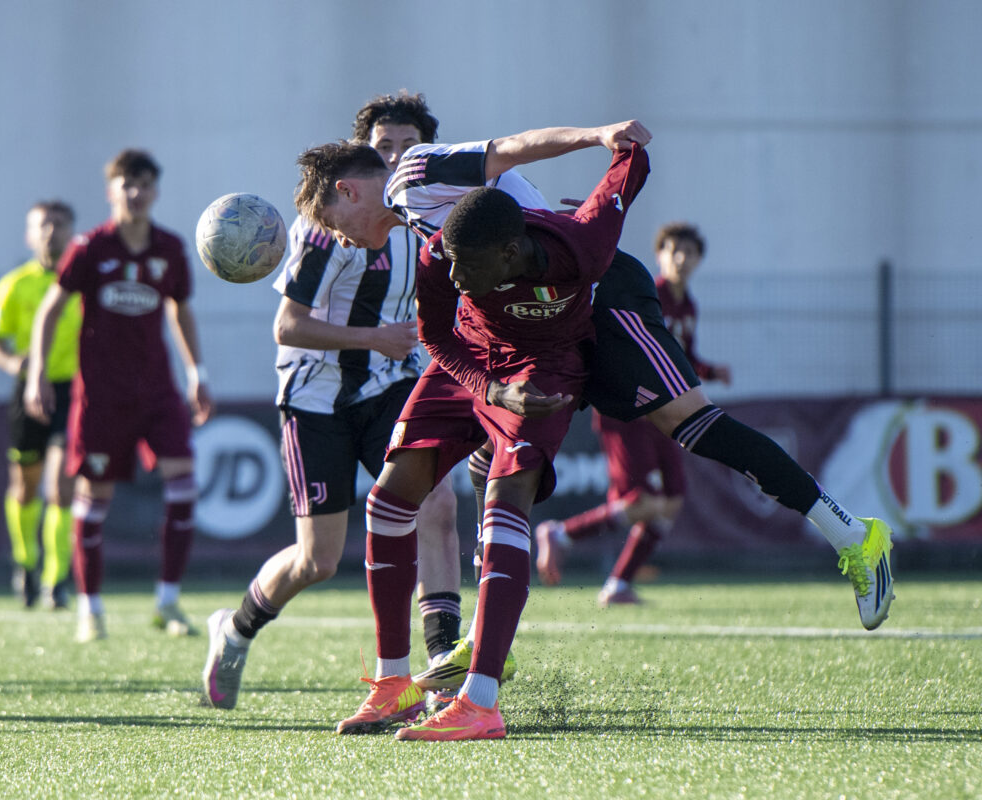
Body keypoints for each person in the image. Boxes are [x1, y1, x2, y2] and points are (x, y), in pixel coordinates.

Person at [295, 118, 894, 646]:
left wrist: (600, 136)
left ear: (347, 191)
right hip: (536, 327)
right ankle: (477, 639)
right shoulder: (412, 226)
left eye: (332, 223)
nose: (340, 240)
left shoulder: (416, 175)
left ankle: (851, 535)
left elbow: (514, 147)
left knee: (692, 425)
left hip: (597, 293)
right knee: (490, 448)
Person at [331, 142, 649, 740]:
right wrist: (490, 389)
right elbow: (434, 334)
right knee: (387, 501)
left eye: (465, 266)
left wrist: (625, 143)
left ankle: (480, 700)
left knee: (505, 507)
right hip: (471, 358)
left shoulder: (582, 244)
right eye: (447, 261)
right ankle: (393, 684)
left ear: (510, 252)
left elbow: (623, 183)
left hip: (548, 366)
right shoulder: (439, 252)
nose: (452, 274)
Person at [200, 92, 485, 711]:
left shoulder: (430, 217)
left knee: (435, 501)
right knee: (318, 560)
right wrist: (373, 337)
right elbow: (287, 326)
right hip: (315, 396)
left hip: (391, 384)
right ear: (362, 163)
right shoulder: (325, 229)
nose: (398, 158)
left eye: (410, 147)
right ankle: (236, 629)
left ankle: (440, 670)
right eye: (385, 148)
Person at [24, 149, 212, 643]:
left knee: (184, 483)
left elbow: (180, 310)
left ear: (155, 190)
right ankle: (91, 607)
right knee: (94, 499)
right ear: (111, 191)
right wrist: (36, 372)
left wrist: (197, 371)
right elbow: (50, 309)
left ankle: (167, 602)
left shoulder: (170, 248)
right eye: (126, 183)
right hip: (102, 399)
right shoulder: (90, 248)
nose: (135, 192)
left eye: (144, 183)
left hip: (157, 391)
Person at [534, 221, 731, 606]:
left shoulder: (688, 304)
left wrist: (708, 371)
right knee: (640, 501)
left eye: (688, 252)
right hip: (628, 412)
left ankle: (618, 584)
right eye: (673, 250)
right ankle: (561, 534)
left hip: (665, 414)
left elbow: (680, 359)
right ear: (659, 255)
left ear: (699, 259)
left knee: (672, 501)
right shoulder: (649, 293)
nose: (681, 258)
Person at [0, 199, 79, 609]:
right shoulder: (14, 284)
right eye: (43, 225)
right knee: (24, 486)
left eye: (59, 224)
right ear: (30, 233)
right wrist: (12, 363)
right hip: (29, 391)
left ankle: (56, 581)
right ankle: (25, 563)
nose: (51, 232)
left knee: (61, 487)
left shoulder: (84, 282)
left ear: (71, 231)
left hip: (73, 391)